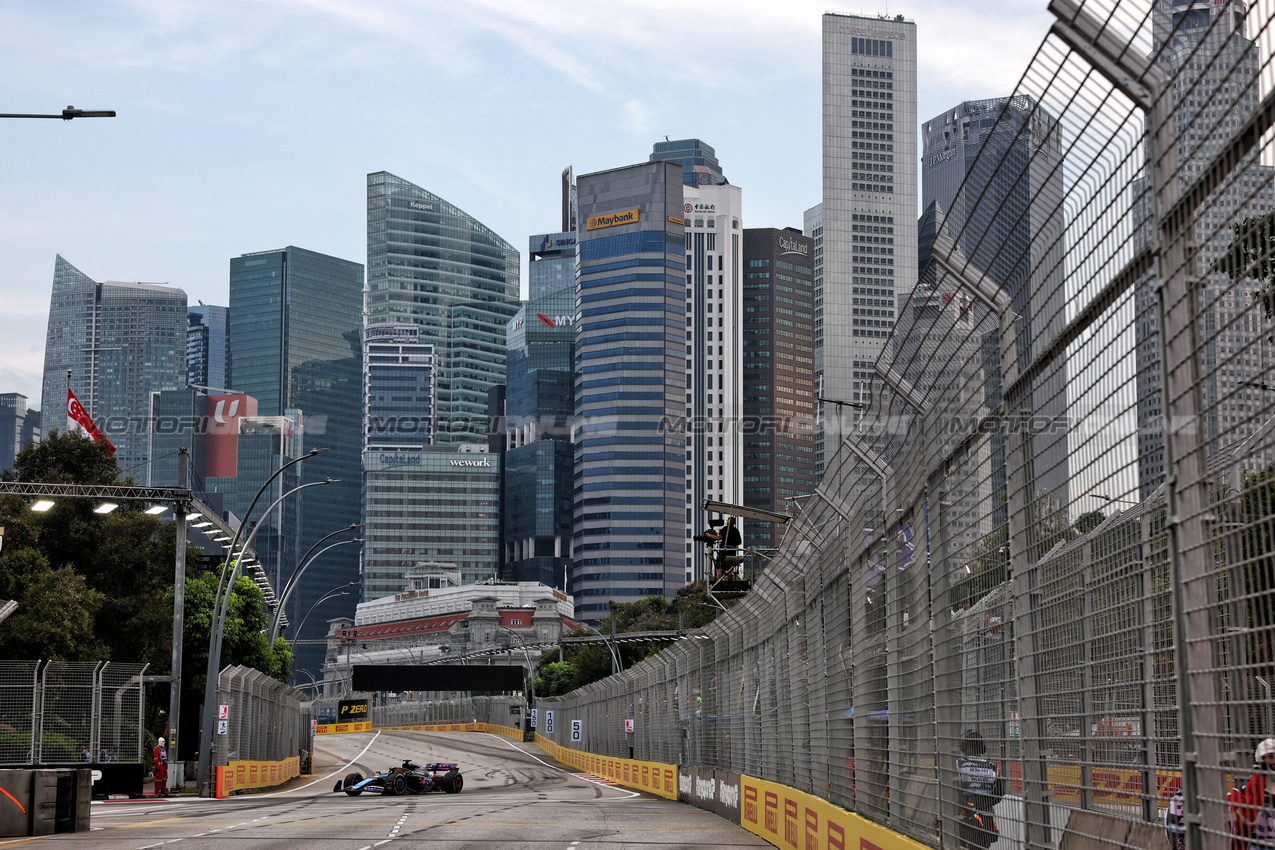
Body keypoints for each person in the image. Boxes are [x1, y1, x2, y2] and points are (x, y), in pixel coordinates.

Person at [957, 730, 1004, 850]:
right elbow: (999, 793)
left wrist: (969, 807)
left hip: (964, 818)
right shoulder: (992, 767)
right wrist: (981, 805)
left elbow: (953, 790)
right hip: (986, 820)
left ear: (964, 746)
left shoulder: (958, 764)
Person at [1229, 738, 1275, 850]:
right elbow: (1247, 817)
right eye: (1269, 756)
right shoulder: (1248, 790)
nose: (1273, 761)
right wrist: (1259, 777)